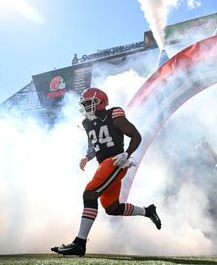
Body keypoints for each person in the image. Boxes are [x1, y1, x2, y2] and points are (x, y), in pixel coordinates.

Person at [51, 87, 161, 256]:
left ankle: (79, 243)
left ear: (100, 102)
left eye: (89, 103)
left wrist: (127, 154)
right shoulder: (87, 122)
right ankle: (148, 211)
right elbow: (94, 145)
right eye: (85, 104)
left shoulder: (113, 114)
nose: (86, 107)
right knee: (112, 208)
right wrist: (87, 157)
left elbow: (136, 135)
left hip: (116, 161)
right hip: (104, 164)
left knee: (89, 193)